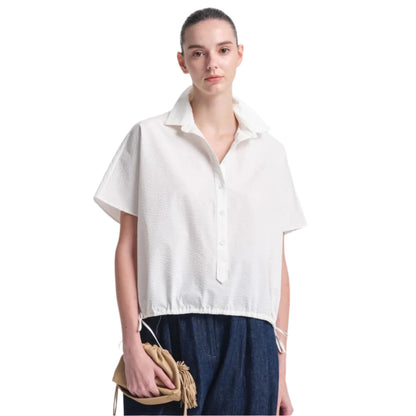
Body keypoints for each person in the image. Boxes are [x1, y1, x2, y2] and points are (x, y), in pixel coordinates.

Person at [93, 7, 307, 416]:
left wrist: (280, 369)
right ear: (182, 61)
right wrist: (132, 346)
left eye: (223, 50)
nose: (212, 63)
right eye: (198, 52)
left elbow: (276, 265)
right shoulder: (149, 139)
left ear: (240, 54)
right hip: (167, 330)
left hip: (252, 339)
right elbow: (127, 249)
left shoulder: (270, 152)